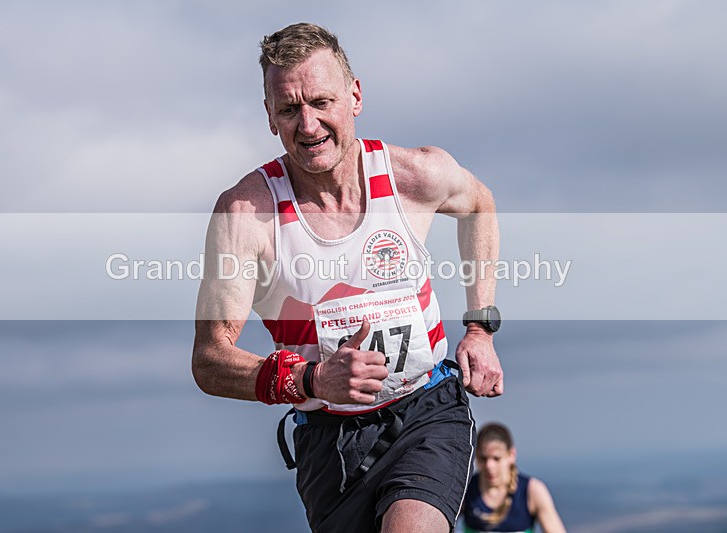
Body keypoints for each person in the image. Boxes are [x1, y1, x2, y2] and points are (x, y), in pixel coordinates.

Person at [192, 22, 503, 533]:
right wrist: (310, 379)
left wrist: (479, 328)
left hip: (426, 410)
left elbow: (480, 206)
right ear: (270, 116)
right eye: (290, 109)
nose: (308, 125)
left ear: (354, 96)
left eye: (320, 101)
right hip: (328, 441)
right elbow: (209, 359)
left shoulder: (415, 177)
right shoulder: (246, 215)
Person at [461, 423, 566, 533]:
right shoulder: (465, 489)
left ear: (511, 455)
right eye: (483, 458)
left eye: (496, 458)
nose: (489, 466)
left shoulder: (532, 490)